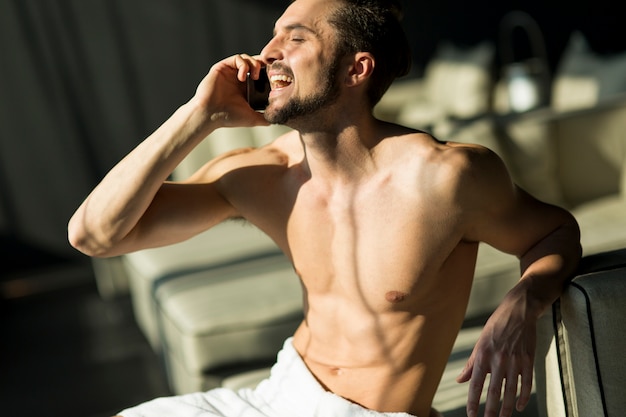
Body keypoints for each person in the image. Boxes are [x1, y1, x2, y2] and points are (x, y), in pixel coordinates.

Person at [68, 0, 582, 416]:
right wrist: (197, 116)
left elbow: (555, 232)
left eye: (296, 39)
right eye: (273, 36)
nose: (267, 53)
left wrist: (523, 302)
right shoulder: (262, 174)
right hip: (274, 397)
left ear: (357, 69)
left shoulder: (445, 177)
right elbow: (94, 236)